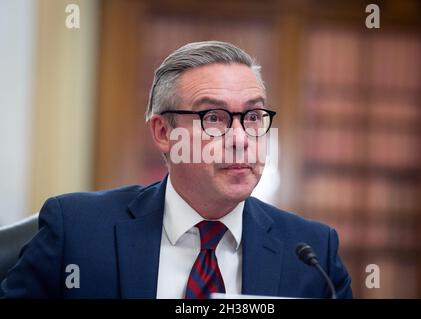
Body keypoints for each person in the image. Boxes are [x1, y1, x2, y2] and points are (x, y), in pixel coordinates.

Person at [0, 41, 352, 298]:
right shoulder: (76, 231)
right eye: (213, 117)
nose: (241, 138)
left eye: (253, 117)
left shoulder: (312, 252)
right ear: (163, 133)